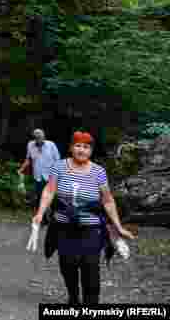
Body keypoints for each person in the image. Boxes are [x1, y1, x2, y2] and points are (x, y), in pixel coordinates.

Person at [33, 131, 135, 305]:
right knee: (68, 265)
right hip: (64, 226)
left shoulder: (98, 171)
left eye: (86, 147)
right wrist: (40, 213)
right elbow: (49, 191)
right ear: (71, 148)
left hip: (91, 228)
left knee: (90, 269)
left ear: (91, 150)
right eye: (78, 146)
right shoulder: (59, 166)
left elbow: (108, 200)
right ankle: (73, 297)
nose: (81, 150)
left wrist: (118, 226)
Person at [19, 129, 60, 223]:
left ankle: (54, 217)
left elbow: (57, 160)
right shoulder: (30, 145)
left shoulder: (51, 145)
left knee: (52, 198)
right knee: (39, 197)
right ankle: (42, 218)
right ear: (34, 139)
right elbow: (28, 159)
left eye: (41, 138)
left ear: (44, 137)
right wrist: (21, 168)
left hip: (51, 175)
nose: (39, 140)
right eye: (37, 138)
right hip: (38, 176)